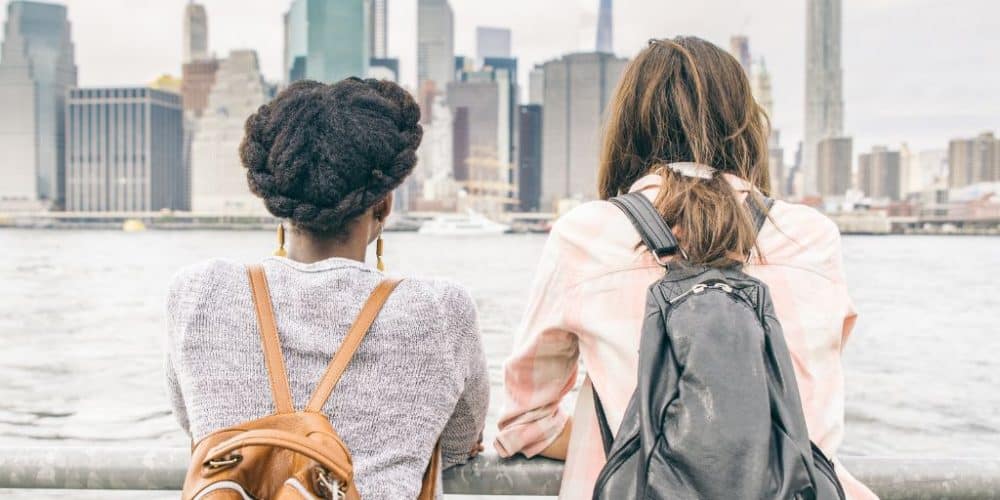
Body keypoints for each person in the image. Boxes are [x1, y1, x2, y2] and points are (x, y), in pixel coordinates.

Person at [495, 37, 877, 499]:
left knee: (596, 389)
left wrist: (642, 437)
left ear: (627, 129)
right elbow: (814, 396)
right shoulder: (812, 237)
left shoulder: (585, 236)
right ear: (746, 126)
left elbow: (525, 425)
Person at [166, 78, 488, 499]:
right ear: (385, 204)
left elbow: (197, 425)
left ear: (275, 200)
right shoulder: (441, 310)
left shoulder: (198, 292)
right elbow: (461, 443)